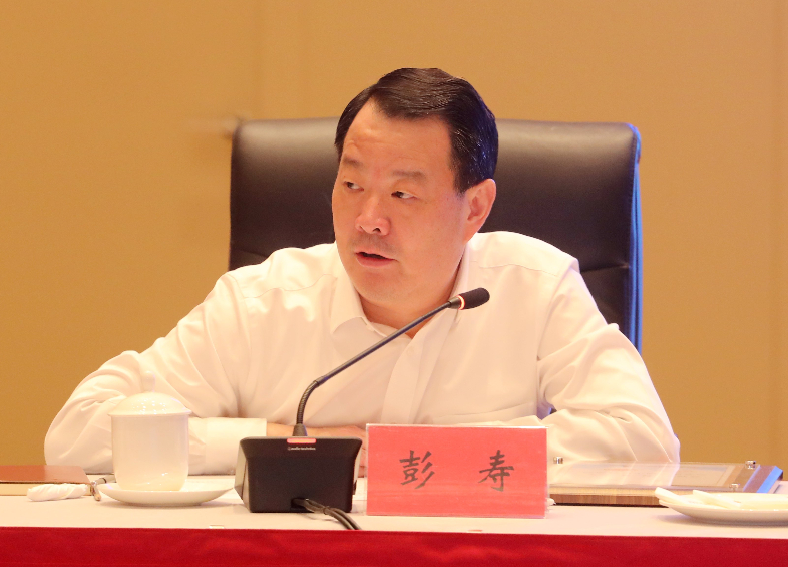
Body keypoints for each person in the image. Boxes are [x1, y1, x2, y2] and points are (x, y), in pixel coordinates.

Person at [45, 68, 680, 475]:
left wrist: (405, 456)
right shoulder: (261, 302)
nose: (368, 220)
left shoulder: (534, 286)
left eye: (403, 194)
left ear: (475, 208)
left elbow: (644, 438)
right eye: (351, 185)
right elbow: (78, 436)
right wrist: (292, 442)